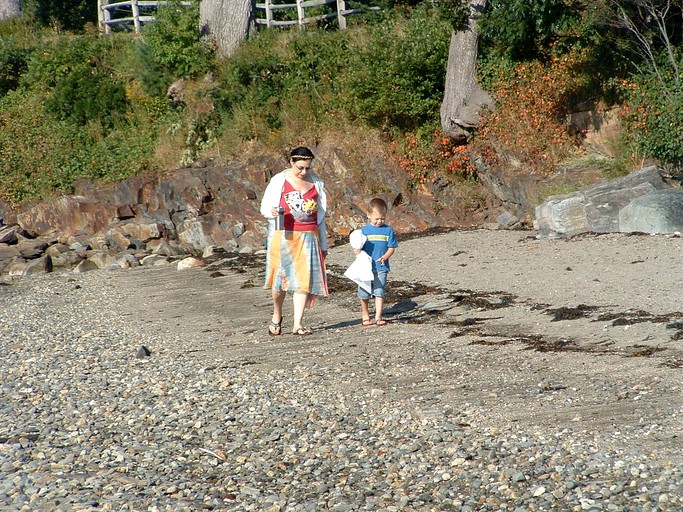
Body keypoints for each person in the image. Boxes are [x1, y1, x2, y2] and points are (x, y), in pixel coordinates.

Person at [260, 146, 329, 336]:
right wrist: (271, 212)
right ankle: (277, 313)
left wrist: (324, 244)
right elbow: (265, 208)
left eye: (307, 168)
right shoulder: (278, 181)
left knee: (303, 281)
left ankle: (297, 324)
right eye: (300, 167)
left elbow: (321, 217)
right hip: (283, 234)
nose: (304, 172)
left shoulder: (317, 184)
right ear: (291, 162)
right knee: (279, 283)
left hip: (309, 235)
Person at [354, 197, 398, 327]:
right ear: (368, 215)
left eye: (382, 219)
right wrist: (356, 251)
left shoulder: (388, 230)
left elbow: (392, 248)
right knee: (364, 292)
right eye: (376, 219)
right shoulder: (363, 231)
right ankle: (365, 314)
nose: (379, 221)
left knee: (379, 291)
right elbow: (357, 247)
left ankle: (378, 316)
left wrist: (385, 257)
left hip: (381, 266)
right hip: (365, 267)